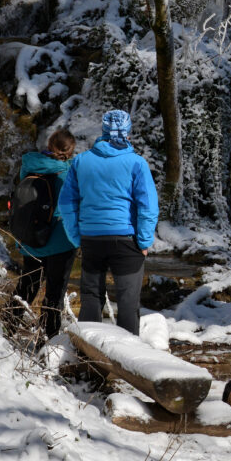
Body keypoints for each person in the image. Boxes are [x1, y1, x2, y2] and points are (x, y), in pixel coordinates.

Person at [57, 110, 158, 335]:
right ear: (128, 132)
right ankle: (127, 359)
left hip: (92, 238)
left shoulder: (81, 161)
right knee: (128, 302)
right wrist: (144, 241)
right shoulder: (136, 163)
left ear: (102, 132)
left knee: (91, 298)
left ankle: (88, 357)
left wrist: (76, 236)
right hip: (127, 240)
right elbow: (148, 206)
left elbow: (66, 203)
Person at [6, 128, 79, 341]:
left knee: (27, 286)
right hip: (60, 241)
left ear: (49, 144)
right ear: (70, 150)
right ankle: (49, 340)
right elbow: (66, 210)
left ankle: (6, 328)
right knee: (54, 293)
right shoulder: (67, 174)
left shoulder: (29, 166)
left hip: (30, 238)